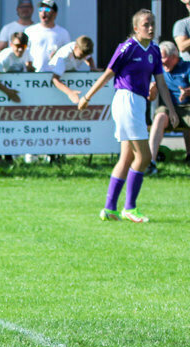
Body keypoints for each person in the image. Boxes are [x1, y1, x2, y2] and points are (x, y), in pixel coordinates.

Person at [78, 10, 176, 223]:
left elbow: (160, 82)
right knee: (145, 157)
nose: (151, 28)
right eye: (146, 24)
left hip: (138, 103)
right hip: (126, 101)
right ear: (136, 28)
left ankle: (110, 209)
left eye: (152, 23)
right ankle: (129, 208)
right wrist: (87, 96)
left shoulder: (155, 50)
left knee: (127, 158)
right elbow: (108, 73)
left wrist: (171, 109)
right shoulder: (127, 47)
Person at [148, 41, 190, 170]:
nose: (161, 62)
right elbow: (151, 98)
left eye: (163, 58)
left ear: (174, 57)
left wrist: (187, 92)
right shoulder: (159, 70)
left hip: (187, 107)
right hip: (169, 108)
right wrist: (152, 91)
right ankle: (150, 161)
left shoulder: (187, 67)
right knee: (159, 116)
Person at [45, 35, 93, 103]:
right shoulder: (63, 56)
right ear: (76, 47)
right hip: (49, 81)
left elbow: (89, 58)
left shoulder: (81, 48)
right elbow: (55, 80)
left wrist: (93, 67)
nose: (83, 57)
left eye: (85, 56)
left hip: (66, 76)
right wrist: (70, 93)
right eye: (81, 55)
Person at [0, 31, 32, 102]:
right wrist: (9, 93)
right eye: (17, 46)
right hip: (2, 95)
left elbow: (30, 69)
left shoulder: (27, 52)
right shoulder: (5, 56)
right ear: (11, 44)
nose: (20, 49)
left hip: (19, 90)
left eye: (23, 46)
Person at [24, 1, 68, 72]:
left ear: (55, 13)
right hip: (33, 74)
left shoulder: (63, 33)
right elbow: (24, 51)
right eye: (41, 9)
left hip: (54, 74)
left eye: (47, 9)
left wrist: (58, 55)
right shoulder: (29, 31)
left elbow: (67, 55)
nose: (43, 12)